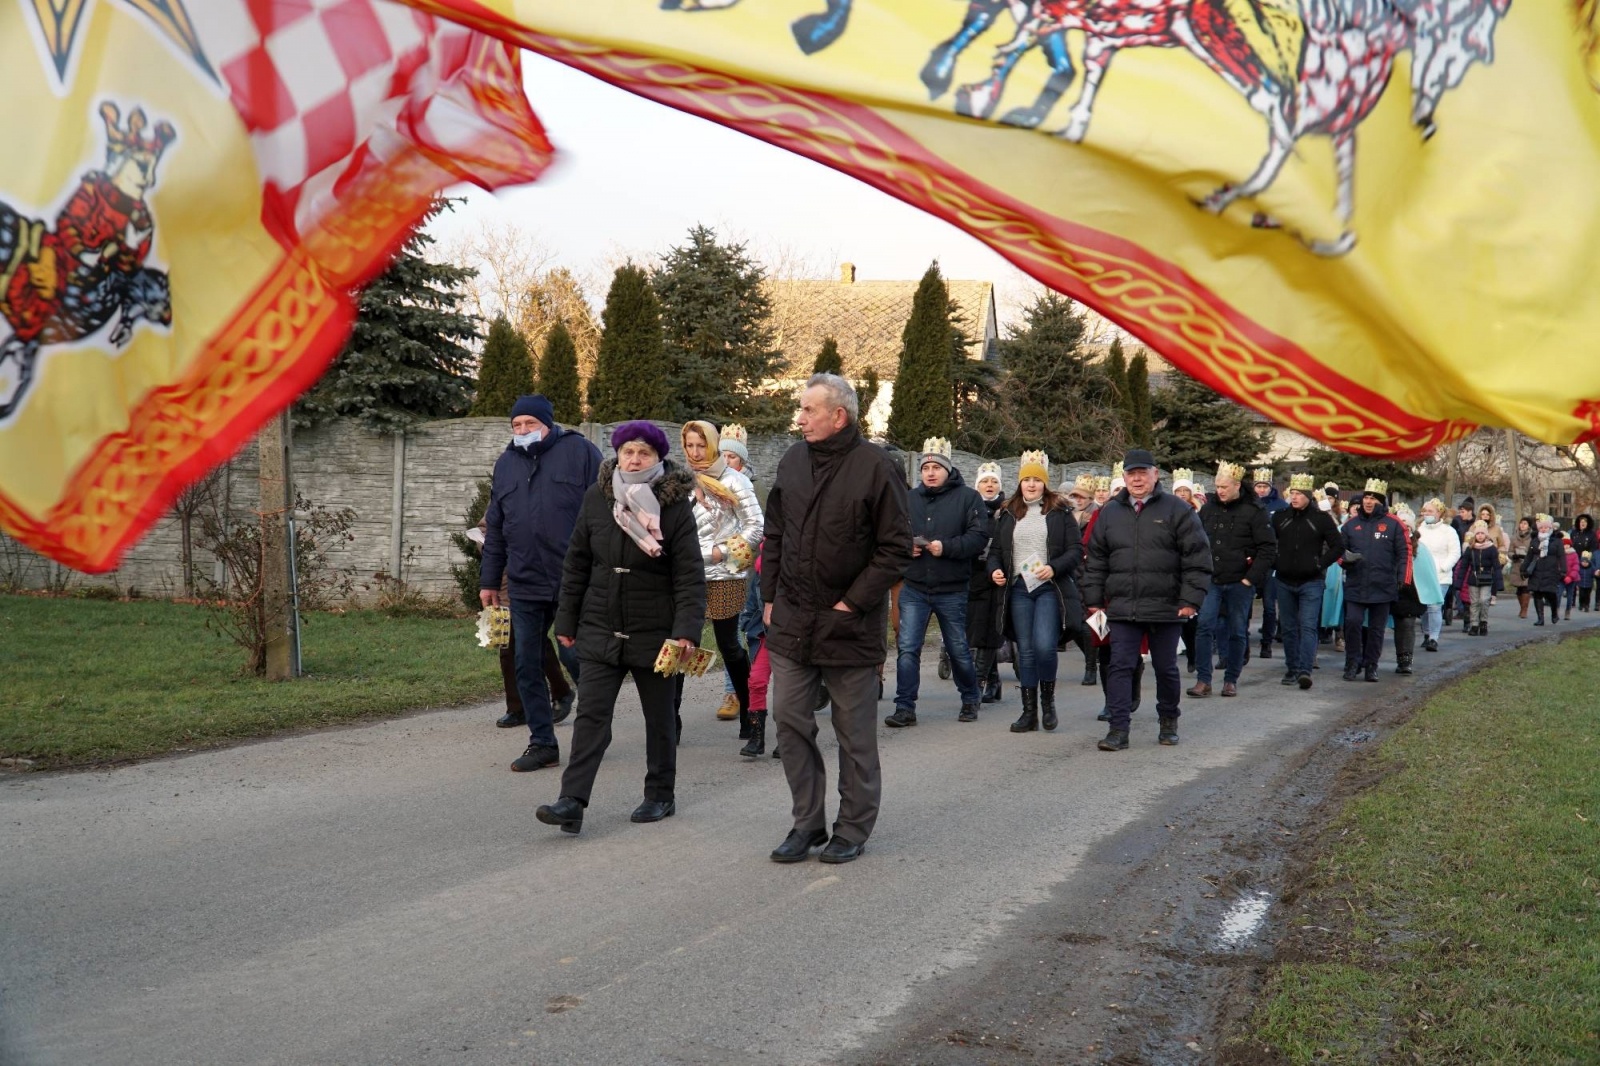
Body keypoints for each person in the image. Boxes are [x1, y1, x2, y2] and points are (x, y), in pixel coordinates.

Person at [762, 374, 911, 865]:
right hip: (792, 619)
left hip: (848, 625)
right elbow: (776, 532)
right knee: (788, 720)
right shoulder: (792, 460)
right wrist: (769, 595)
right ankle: (807, 824)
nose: (800, 418)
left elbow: (894, 549)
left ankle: (851, 828)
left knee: (854, 734)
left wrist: (852, 604)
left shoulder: (876, 467)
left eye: (808, 410)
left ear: (838, 416)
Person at [535, 422, 706, 835]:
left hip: (656, 627)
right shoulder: (598, 496)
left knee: (659, 717)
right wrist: (567, 619)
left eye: (643, 453)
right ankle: (572, 800)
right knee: (591, 715)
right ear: (617, 454)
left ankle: (660, 794)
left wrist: (686, 630)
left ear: (658, 458)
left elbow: (689, 574)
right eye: (628, 451)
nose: (634, 459)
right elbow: (577, 561)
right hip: (601, 623)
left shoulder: (674, 503)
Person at [481, 394, 603, 773]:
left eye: (530, 424)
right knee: (525, 661)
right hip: (525, 580)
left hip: (573, 578)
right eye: (516, 425)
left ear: (547, 424)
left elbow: (606, 512)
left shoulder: (581, 453)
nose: (522, 431)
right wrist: (489, 580)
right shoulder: (505, 465)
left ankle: (595, 727)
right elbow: (496, 527)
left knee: (576, 655)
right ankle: (542, 742)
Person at [1081, 448, 1210, 751]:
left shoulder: (1177, 509)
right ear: (1124, 477)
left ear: (1154, 475)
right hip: (1122, 606)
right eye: (1131, 473)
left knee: (1166, 668)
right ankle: (1118, 729)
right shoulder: (1109, 512)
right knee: (1120, 666)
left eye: (1142, 473)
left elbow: (1197, 557)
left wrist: (1190, 600)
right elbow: (1096, 560)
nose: (1137, 479)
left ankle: (1168, 720)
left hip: (1166, 606)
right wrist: (1094, 599)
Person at [886, 437, 988, 727]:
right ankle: (905, 707)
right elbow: (892, 533)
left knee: (958, 649)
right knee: (907, 648)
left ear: (948, 469)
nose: (930, 473)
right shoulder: (909, 499)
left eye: (936, 468)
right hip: (915, 587)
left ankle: (970, 698)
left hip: (951, 588)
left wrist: (947, 547)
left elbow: (979, 537)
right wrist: (906, 546)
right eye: (925, 468)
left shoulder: (968, 498)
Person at [989, 451, 1084, 733]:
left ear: (1045, 483)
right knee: (1026, 651)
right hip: (1019, 588)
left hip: (1048, 589)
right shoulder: (1008, 512)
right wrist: (994, 570)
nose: (1031, 484)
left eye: (1037, 480)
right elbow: (995, 551)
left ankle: (1048, 702)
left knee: (1044, 646)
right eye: (1027, 479)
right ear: (1020, 483)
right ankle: (1029, 712)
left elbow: (1075, 550)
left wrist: (1054, 567)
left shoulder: (1060, 512)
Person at [680, 421, 763, 742]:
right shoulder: (679, 479)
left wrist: (720, 553)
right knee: (680, 645)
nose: (695, 452)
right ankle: (670, 722)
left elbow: (756, 526)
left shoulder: (734, 480)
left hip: (724, 574)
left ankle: (748, 713)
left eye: (702, 445)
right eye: (690, 445)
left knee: (728, 645)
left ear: (713, 445)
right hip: (685, 575)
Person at [1188, 461, 1276, 699]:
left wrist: (1251, 579)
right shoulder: (1208, 509)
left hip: (1240, 581)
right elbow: (1196, 542)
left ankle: (1231, 679)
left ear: (1237, 485)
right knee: (1204, 626)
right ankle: (1203, 679)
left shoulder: (1254, 511)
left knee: (1237, 631)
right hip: (1211, 579)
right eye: (1217, 486)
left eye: (1224, 486)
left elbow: (1268, 548)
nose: (1220, 491)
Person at [1271, 473, 1343, 689]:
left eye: (1299, 494)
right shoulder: (1280, 517)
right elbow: (1268, 543)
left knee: (1308, 625)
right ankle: (1292, 668)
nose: (1294, 497)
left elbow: (1338, 546)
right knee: (1289, 627)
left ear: (1308, 496)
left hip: (1311, 581)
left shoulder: (1320, 518)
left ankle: (1305, 669)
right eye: (1292, 493)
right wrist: (1276, 562)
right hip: (1284, 579)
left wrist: (1320, 564)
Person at [1339, 480, 1405, 682]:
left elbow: (1404, 553)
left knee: (1376, 629)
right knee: (1352, 623)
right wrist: (1345, 561)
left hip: (1383, 585)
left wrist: (1402, 577)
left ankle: (1371, 666)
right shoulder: (1350, 525)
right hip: (1356, 584)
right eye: (1366, 497)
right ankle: (1352, 662)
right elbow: (1339, 551)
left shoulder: (1394, 524)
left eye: (1373, 498)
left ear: (1381, 501)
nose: (1368, 502)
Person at [967, 461, 1008, 704]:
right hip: (974, 575)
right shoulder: (970, 509)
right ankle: (994, 680)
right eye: (985, 481)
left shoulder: (1007, 511)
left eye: (994, 481)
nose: (989, 485)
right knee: (976, 629)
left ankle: (978, 683)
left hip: (997, 576)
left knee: (989, 630)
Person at [1065, 473, 1101, 686]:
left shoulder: (1097, 516)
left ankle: (1092, 666)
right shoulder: (1070, 516)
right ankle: (1093, 658)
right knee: (1075, 623)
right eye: (1075, 496)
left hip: (1091, 574)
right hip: (1072, 573)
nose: (1078, 500)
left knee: (1091, 621)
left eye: (1082, 497)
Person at [1251, 468, 1288, 659]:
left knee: (1269, 605)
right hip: (1250, 561)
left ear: (1270, 487)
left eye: (1264, 486)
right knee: (1244, 604)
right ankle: (1243, 642)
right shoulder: (1248, 504)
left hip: (1271, 562)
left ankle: (1266, 642)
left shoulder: (1281, 506)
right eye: (1258, 486)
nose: (1261, 490)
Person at [1415, 498, 1459, 652]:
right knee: (1424, 606)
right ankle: (1426, 633)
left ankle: (1434, 637)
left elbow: (1455, 552)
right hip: (1422, 574)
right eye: (1425, 511)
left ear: (1439, 513)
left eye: (1430, 511)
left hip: (1440, 576)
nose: (1426, 514)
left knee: (1434, 606)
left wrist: (1443, 567)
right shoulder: (1420, 529)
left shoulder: (1449, 531)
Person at [1458, 520, 1502, 635]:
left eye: (1482, 533)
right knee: (1474, 602)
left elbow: (1496, 566)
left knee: (1484, 600)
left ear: (1486, 535)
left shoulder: (1491, 549)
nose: (1480, 536)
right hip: (1473, 578)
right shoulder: (1470, 549)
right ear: (1475, 535)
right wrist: (1458, 582)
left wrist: (1499, 583)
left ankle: (1483, 622)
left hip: (1487, 578)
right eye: (1478, 533)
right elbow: (1463, 566)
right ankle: (1474, 624)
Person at [1524, 513, 1567, 626]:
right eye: (1541, 527)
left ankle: (1554, 613)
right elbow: (1529, 556)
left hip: (1551, 571)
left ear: (1550, 528)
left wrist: (1563, 570)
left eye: (1546, 527)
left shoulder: (1557, 541)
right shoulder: (1535, 540)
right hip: (1537, 570)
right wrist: (1523, 569)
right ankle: (1540, 618)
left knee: (1550, 594)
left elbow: (1561, 556)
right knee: (1537, 594)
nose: (1543, 529)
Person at [1508, 515, 1534, 618]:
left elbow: (1534, 551)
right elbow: (1510, 551)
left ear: (1529, 526)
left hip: (1527, 565)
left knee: (1526, 588)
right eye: (1521, 523)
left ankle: (1524, 609)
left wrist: (1528, 556)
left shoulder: (1532, 538)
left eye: (1525, 524)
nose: (1522, 525)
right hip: (1517, 564)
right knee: (1519, 589)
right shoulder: (1514, 537)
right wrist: (1514, 555)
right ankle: (1522, 607)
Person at [1573, 513, 1597, 612]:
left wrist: (1588, 558)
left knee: (1585, 584)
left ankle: (1585, 603)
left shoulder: (1591, 534)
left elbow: (1593, 547)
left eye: (1584, 522)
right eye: (1581, 522)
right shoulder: (1574, 533)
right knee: (1574, 580)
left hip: (1586, 560)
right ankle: (1573, 601)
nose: (1582, 523)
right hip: (1575, 559)